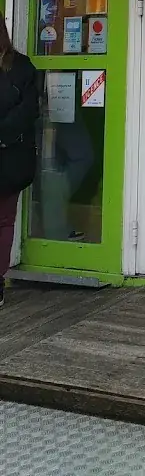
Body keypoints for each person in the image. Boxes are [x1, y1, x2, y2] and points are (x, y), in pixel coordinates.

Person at [0, 16, 40, 307]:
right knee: (4, 221)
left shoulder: (22, 67)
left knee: (3, 221)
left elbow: (29, 110)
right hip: (11, 156)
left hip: (9, 159)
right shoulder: (23, 66)